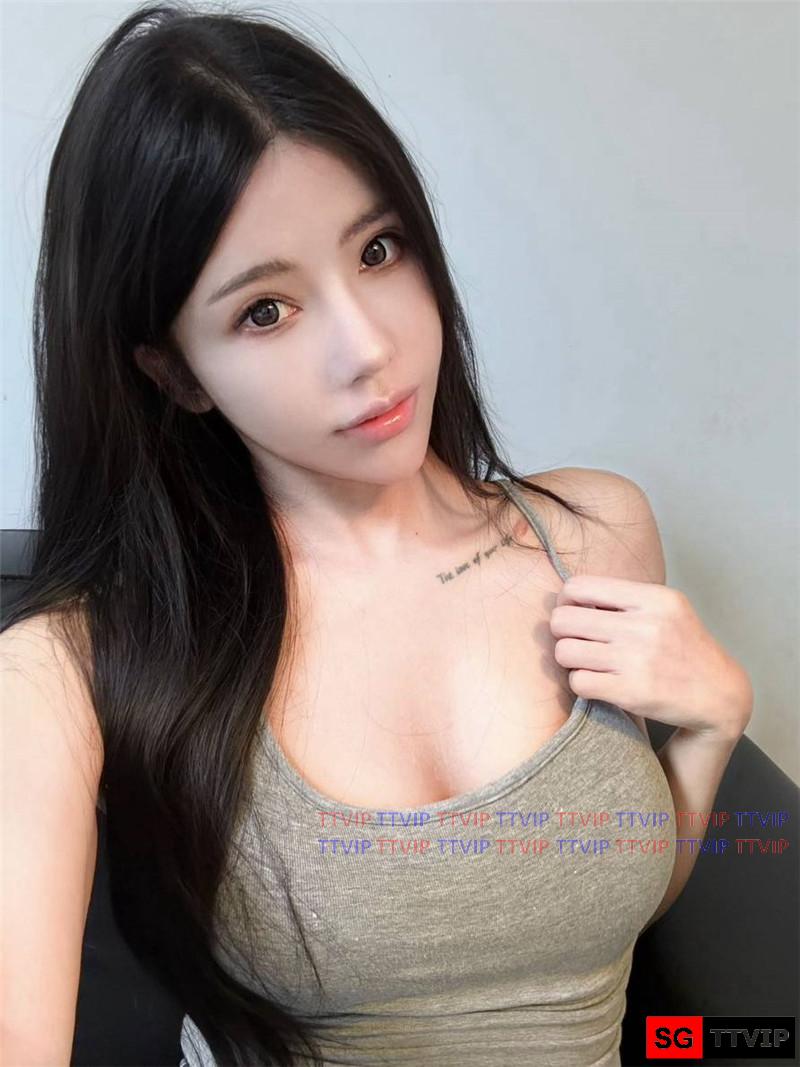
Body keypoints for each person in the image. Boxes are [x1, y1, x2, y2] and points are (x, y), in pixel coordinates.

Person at [1, 3, 752, 1065]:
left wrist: (710, 732)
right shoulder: (68, 664)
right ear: (174, 372)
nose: (367, 348)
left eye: (377, 249)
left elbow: (594, 925)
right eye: (265, 310)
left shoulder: (593, 535)